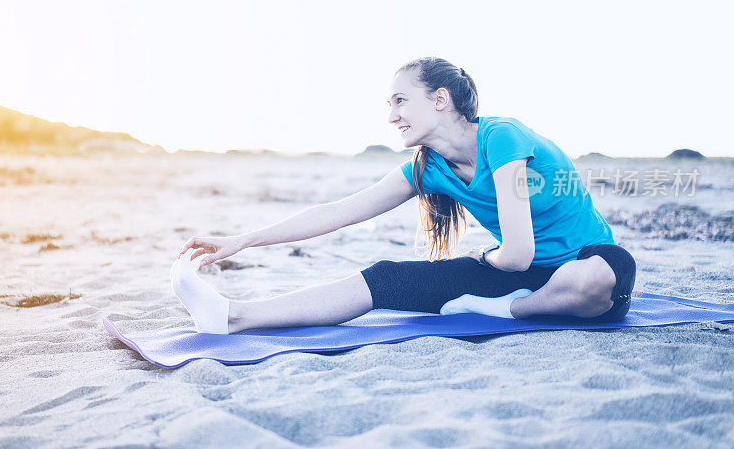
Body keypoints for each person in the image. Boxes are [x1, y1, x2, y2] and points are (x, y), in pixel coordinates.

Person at [173, 57, 637, 335]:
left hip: (576, 269)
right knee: (386, 277)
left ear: (439, 99)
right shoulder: (426, 168)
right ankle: (232, 317)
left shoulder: (504, 139)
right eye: (389, 104)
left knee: (597, 276)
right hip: (520, 275)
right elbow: (339, 211)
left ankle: (505, 309)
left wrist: (481, 267)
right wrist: (242, 241)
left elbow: (517, 255)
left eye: (400, 100)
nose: (392, 115)